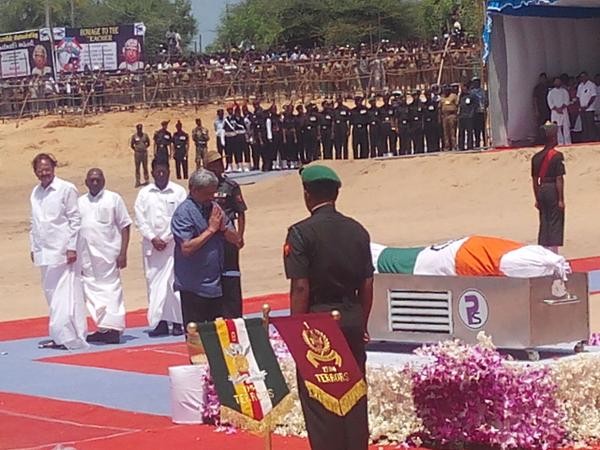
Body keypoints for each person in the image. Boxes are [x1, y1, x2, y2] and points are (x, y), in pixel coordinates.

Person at [283, 165, 373, 450]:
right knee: (354, 395)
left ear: (307, 195)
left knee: (320, 400)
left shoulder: (300, 233)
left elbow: (300, 287)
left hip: (316, 325)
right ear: (336, 194)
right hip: (351, 317)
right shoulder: (357, 230)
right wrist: (362, 322)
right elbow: (367, 284)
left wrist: (297, 329)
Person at [29, 153, 88, 350]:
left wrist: (71, 247)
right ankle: (57, 336)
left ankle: (70, 337)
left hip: (63, 253)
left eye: (47, 169)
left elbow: (75, 220)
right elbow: (34, 223)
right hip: (44, 253)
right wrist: (33, 247)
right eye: (40, 170)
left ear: (54, 168)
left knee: (66, 296)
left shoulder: (66, 189)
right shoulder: (35, 193)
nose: (44, 173)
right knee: (52, 295)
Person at [171, 169, 240, 328]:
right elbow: (186, 248)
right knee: (198, 339)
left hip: (217, 283)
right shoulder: (184, 213)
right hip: (194, 287)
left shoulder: (215, 208)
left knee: (219, 335)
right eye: (207, 194)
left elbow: (236, 239)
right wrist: (211, 230)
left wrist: (223, 229)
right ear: (194, 190)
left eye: (213, 193)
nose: (211, 197)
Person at [134, 159, 187, 336]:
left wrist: (166, 238)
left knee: (173, 284)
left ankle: (178, 322)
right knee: (154, 284)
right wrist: (153, 238)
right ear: (152, 172)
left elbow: (181, 218)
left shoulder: (178, 192)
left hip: (173, 247)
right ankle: (161, 322)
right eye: (157, 171)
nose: (161, 174)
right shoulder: (144, 193)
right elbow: (140, 219)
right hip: (152, 248)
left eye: (164, 171)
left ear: (169, 171)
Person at [79, 168, 131, 344]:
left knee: (111, 291)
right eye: (91, 180)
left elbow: (125, 226)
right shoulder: (79, 202)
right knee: (92, 292)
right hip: (87, 257)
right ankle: (103, 328)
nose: (95, 183)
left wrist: (123, 252)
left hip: (109, 256)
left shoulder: (113, 199)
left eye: (98, 180)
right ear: (86, 182)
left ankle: (114, 329)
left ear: (104, 181)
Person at [204, 151, 248, 318]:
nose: (219, 166)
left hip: (228, 237)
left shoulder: (230, 186)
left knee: (231, 275)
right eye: (214, 164)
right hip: (209, 238)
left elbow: (240, 212)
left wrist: (240, 236)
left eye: (220, 162)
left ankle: (233, 313)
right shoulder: (202, 185)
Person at [531, 122, 566, 254]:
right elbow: (559, 178)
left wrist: (537, 197)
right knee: (555, 221)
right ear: (552, 138)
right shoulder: (557, 156)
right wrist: (561, 199)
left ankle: (544, 253)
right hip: (552, 189)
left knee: (544, 220)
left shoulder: (536, 157)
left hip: (541, 189)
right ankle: (554, 254)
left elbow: (534, 180)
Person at [547, 77, 571, 145]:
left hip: (563, 111)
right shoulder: (551, 92)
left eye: (559, 81)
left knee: (566, 127)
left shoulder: (564, 91)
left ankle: (568, 142)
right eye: (556, 81)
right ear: (554, 83)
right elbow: (550, 103)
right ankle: (560, 142)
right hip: (555, 112)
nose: (557, 83)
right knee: (557, 128)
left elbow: (567, 101)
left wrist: (561, 108)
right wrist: (557, 109)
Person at [576, 72, 597, 142]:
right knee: (584, 125)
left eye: (584, 76)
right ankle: (585, 140)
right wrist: (580, 106)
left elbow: (593, 96)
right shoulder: (580, 86)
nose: (583, 78)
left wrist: (587, 106)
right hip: (581, 109)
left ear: (587, 77)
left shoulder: (591, 85)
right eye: (581, 77)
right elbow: (578, 97)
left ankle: (592, 140)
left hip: (589, 109)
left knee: (590, 125)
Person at [533, 73, 551, 143]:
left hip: (548, 108)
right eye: (541, 78)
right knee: (540, 125)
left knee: (549, 124)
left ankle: (548, 139)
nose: (542, 80)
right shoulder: (537, 88)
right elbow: (535, 99)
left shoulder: (548, 87)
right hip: (541, 109)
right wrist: (536, 110)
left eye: (544, 78)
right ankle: (541, 139)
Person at [458, 83, 476, 151]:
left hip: (469, 116)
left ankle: (470, 146)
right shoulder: (461, 96)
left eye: (464, 87)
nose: (463, 89)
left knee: (469, 132)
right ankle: (461, 146)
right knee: (461, 132)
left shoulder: (471, 96)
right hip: (462, 116)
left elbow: (474, 105)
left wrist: (471, 114)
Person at [440, 85, 458, 151]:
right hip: (444, 116)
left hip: (452, 115)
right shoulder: (442, 97)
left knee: (452, 132)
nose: (446, 91)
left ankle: (454, 146)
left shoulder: (453, 96)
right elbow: (440, 107)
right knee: (446, 133)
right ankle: (447, 146)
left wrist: (456, 114)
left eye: (447, 90)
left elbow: (457, 105)